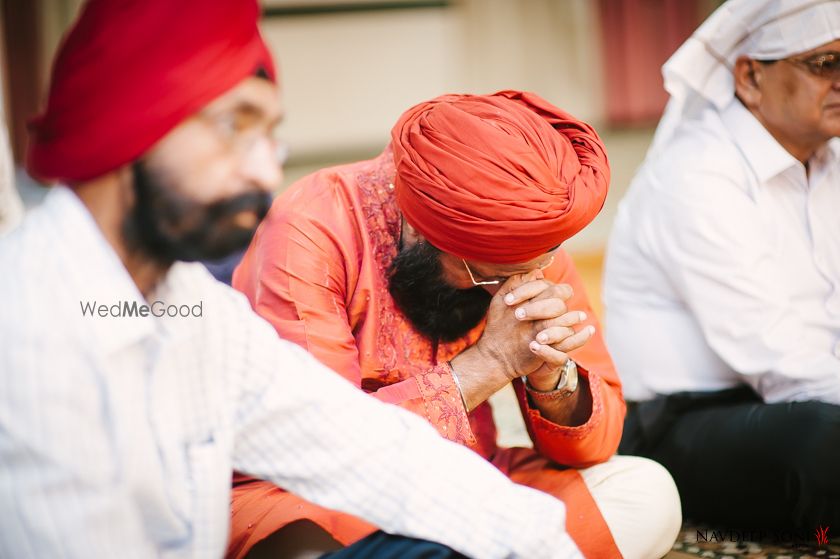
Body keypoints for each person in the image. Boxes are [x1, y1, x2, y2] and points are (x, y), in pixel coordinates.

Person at [0, 2, 593, 558]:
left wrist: (538, 543)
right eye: (235, 126)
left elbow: (361, 445)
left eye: (269, 135)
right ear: (126, 122)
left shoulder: (198, 312)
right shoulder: (28, 326)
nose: (265, 169)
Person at [231, 91, 682, 559]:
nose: (510, 289)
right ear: (423, 232)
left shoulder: (525, 236)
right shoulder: (310, 229)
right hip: (320, 496)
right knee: (302, 546)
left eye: (534, 268)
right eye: (490, 275)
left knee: (645, 492)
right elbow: (318, 444)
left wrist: (552, 377)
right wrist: (489, 364)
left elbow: (594, 447)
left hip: (469, 475)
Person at [603, 0, 840, 531]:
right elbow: (778, 357)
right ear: (751, 76)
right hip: (682, 421)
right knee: (823, 441)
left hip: (803, 395)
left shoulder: (830, 163)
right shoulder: (696, 174)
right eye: (826, 64)